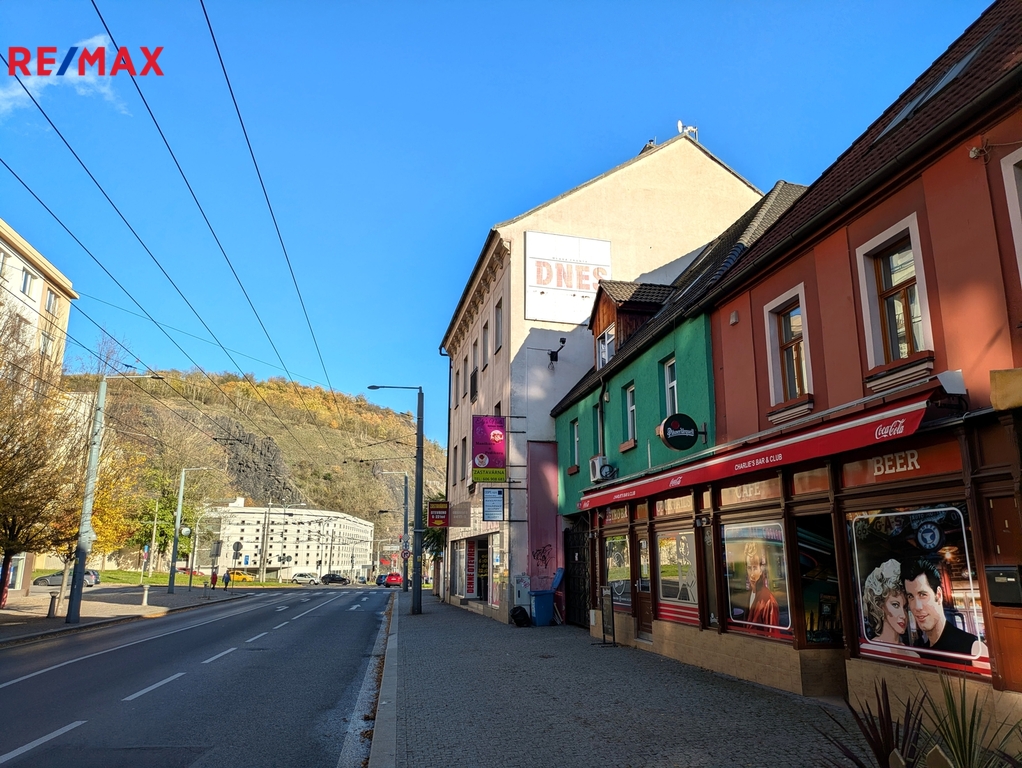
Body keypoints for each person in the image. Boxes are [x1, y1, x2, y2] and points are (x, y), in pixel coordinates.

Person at [901, 556, 986, 660]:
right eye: (910, 596)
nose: (917, 607)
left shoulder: (973, 649)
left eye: (923, 595)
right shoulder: (922, 651)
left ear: (939, 595)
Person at [862, 559, 909, 644]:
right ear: (880, 606)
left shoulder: (909, 651)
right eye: (895, 605)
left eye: (905, 607)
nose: (903, 616)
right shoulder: (871, 648)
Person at [744, 541, 779, 626]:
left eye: (755, 568)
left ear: (761, 570)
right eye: (749, 568)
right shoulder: (750, 594)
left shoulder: (769, 602)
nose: (752, 574)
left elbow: (772, 633)